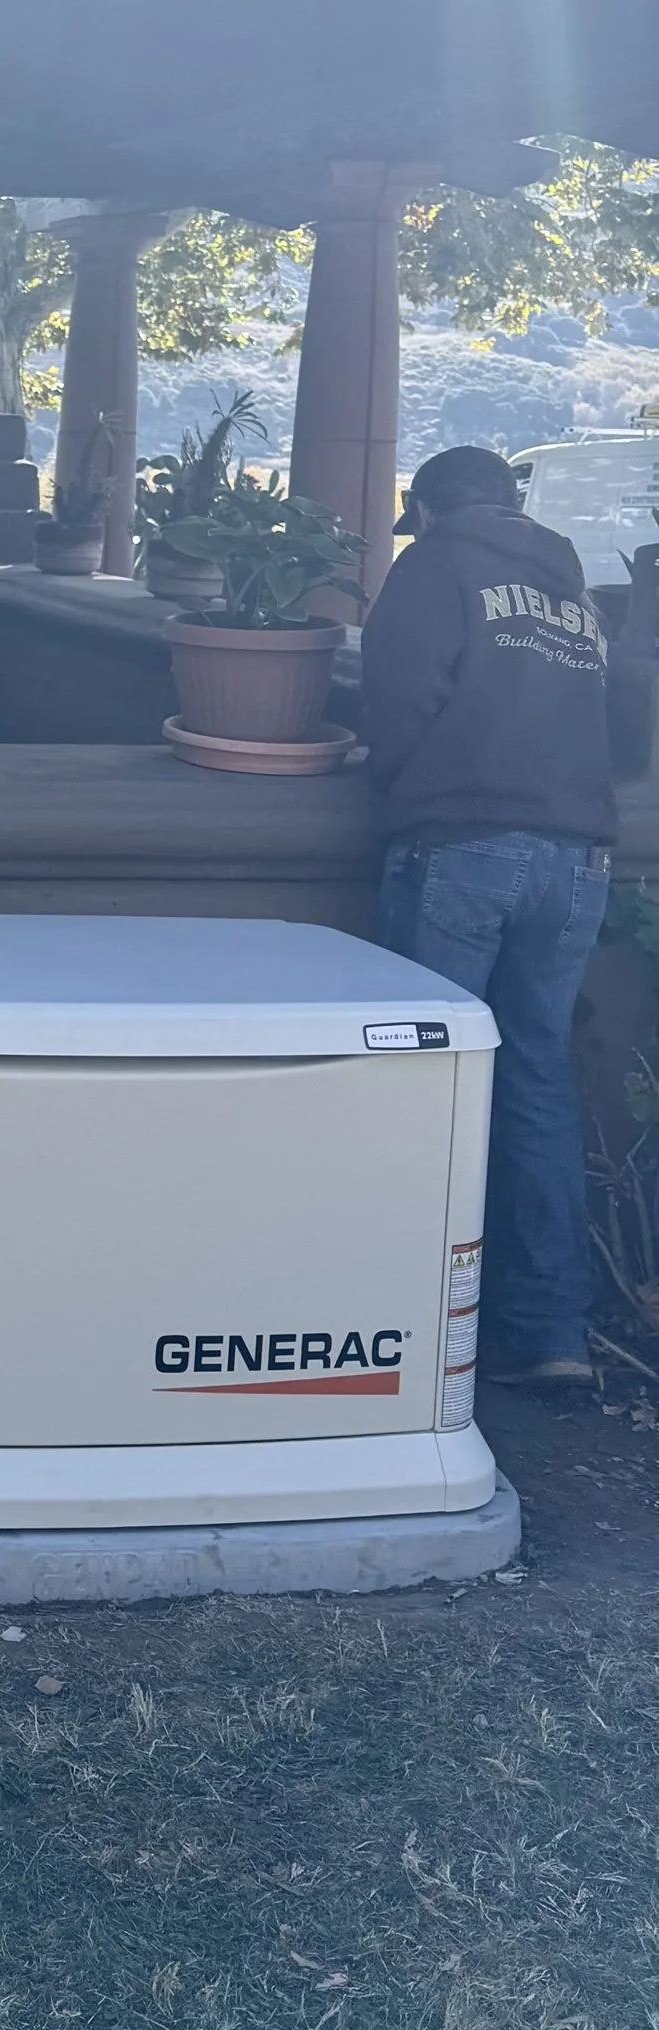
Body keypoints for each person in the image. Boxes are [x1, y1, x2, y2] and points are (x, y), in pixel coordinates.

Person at [360, 444, 615, 1390]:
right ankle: (552, 1333)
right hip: (578, 860)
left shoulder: (432, 564)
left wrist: (393, 789)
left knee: (427, 1084)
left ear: (425, 508)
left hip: (463, 845)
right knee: (538, 1082)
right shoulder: (572, 589)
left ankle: (410, 1330)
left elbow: (398, 699)